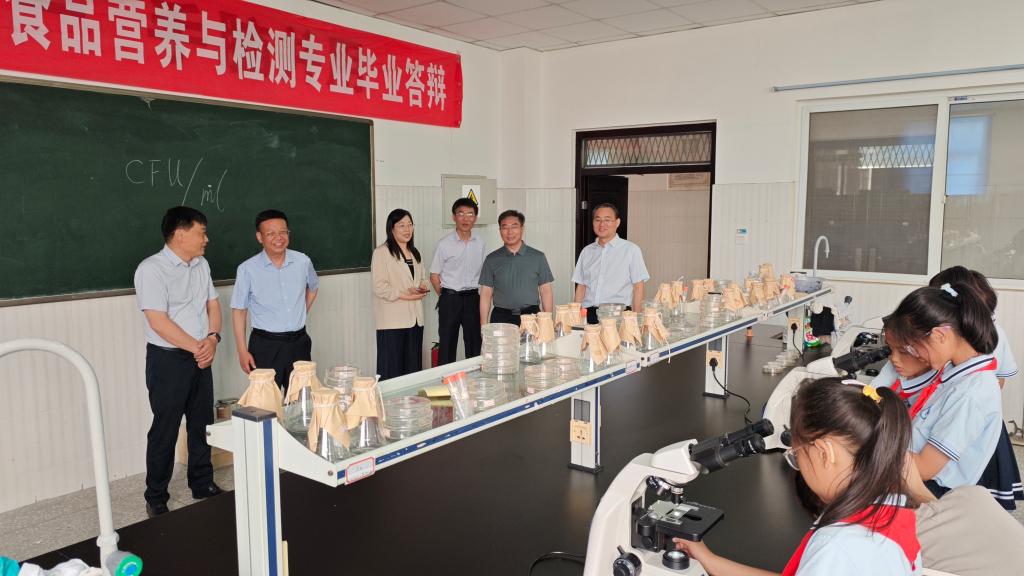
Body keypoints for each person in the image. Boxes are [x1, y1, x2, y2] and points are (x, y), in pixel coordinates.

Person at [674, 378, 921, 576]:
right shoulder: (889, 510)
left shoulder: (839, 547)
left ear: (824, 453)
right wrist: (711, 562)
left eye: (796, 454)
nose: (798, 465)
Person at [133, 206, 223, 518]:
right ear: (180, 234)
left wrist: (213, 339)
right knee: (165, 428)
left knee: (202, 423)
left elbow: (213, 305)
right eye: (202, 233)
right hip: (168, 361)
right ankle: (156, 495)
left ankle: (202, 483)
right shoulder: (151, 269)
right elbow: (158, 321)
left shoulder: (201, 265)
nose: (206, 239)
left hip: (201, 354)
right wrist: (198, 348)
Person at [882, 283, 1002, 499]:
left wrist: (872, 448)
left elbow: (924, 468)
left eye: (911, 347)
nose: (915, 355)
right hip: (909, 468)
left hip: (930, 490)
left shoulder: (970, 393)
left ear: (939, 335)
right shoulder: (954, 371)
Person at [230, 210, 319, 392]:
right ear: (259, 237)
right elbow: (239, 310)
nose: (278, 238)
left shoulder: (303, 261)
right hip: (265, 346)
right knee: (266, 401)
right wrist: (242, 350)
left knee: (302, 399)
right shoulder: (247, 269)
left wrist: (301, 312)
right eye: (270, 233)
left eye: (283, 232)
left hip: (299, 342)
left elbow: (313, 287)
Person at [372, 209, 427, 380]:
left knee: (413, 370)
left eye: (410, 225)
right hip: (392, 322)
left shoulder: (415, 252)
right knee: (392, 370)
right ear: (392, 228)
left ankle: (411, 398)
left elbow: (423, 278)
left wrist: (422, 287)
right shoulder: (381, 252)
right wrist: (404, 294)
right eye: (401, 225)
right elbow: (379, 287)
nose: (407, 229)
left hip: (416, 320)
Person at [571, 203, 649, 324]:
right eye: (598, 220)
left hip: (618, 314)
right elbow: (581, 286)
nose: (602, 224)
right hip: (589, 314)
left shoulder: (631, 250)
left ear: (617, 222)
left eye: (607, 220)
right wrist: (575, 316)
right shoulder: (587, 251)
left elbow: (638, 287)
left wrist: (637, 320)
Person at [430, 198, 486, 365]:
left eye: (470, 214)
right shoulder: (444, 244)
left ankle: (476, 378)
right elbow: (434, 275)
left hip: (473, 299)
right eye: (461, 214)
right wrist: (446, 296)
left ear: (475, 218)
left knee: (475, 344)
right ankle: (446, 379)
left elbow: (484, 274)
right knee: (447, 344)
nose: (465, 219)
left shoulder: (480, 243)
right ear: (454, 217)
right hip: (450, 299)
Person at [479, 210, 554, 326]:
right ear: (500, 230)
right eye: (505, 228)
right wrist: (483, 324)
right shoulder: (491, 259)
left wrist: (547, 321)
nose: (509, 232)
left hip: (531, 316)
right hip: (501, 317)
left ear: (522, 229)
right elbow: (486, 294)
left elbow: (545, 290)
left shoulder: (538, 257)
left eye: (514, 227)